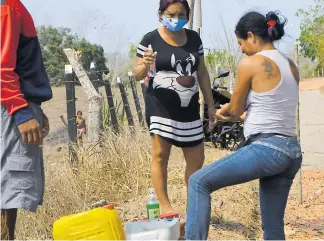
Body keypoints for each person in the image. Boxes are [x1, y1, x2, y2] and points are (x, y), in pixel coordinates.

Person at [186, 11, 303, 240]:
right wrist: (237, 116)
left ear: (251, 36)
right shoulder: (291, 66)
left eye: (240, 43)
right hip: (291, 152)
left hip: (267, 149)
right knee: (273, 229)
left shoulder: (250, 63)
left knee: (198, 181)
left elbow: (235, 109)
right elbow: (269, 110)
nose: (240, 49)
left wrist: (221, 112)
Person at [133, 0, 216, 216]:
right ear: (160, 14)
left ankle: (194, 207)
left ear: (187, 16)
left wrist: (210, 104)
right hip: (160, 107)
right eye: (171, 14)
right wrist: (144, 63)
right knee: (161, 155)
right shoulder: (149, 40)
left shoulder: (194, 39)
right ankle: (164, 206)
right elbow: (137, 74)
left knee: (197, 160)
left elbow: (203, 72)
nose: (176, 19)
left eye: (181, 15)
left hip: (188, 110)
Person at [1, 0, 52, 239]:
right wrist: (20, 111)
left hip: (16, 104)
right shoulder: (6, 7)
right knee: (6, 189)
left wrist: (35, 109)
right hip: (10, 109)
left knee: (9, 189)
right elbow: (1, 67)